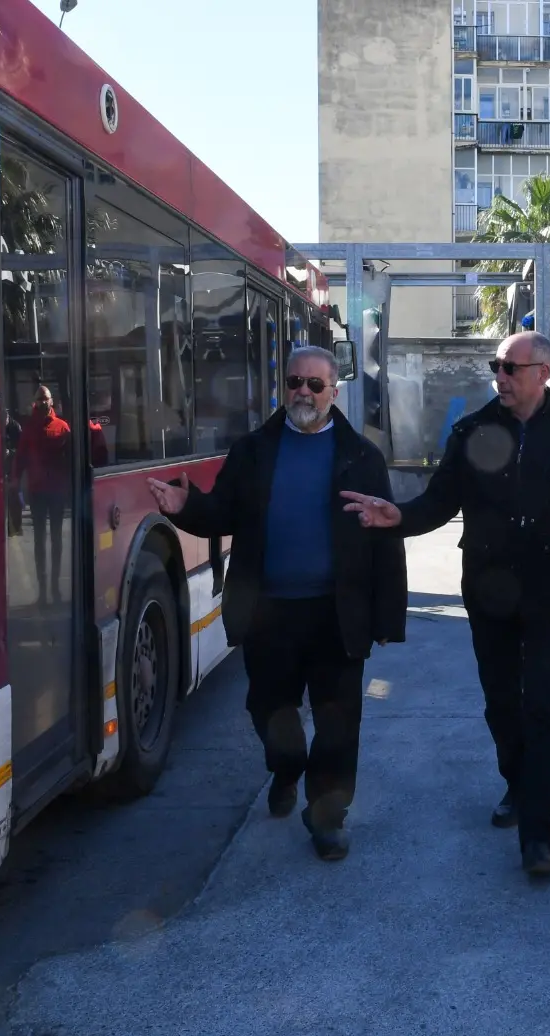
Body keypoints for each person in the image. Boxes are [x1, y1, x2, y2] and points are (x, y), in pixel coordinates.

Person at [342, 331, 550, 879]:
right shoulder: (472, 431)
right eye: (497, 365)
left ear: (543, 371)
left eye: (512, 367)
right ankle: (518, 781)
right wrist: (397, 518)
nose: (501, 376)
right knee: (500, 702)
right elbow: (440, 503)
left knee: (544, 704)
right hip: (488, 592)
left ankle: (539, 831)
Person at [147, 347, 407, 862]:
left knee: (338, 724)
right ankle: (286, 770)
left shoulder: (362, 457)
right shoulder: (254, 451)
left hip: (337, 614)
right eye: (295, 382)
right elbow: (222, 512)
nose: (303, 393)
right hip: (269, 613)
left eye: (315, 385)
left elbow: (384, 542)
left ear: (335, 392)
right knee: (273, 716)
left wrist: (386, 617)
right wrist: (188, 507)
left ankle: (328, 817)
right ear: (282, 386)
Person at [17, 385, 71, 606]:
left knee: (56, 540)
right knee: (40, 542)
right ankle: (43, 591)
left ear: (51, 402)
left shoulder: (62, 427)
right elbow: (20, 458)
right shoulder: (29, 428)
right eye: (39, 400)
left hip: (56, 491)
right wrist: (15, 483)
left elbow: (71, 459)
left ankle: (55, 588)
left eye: (45, 400)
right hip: (37, 492)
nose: (42, 403)